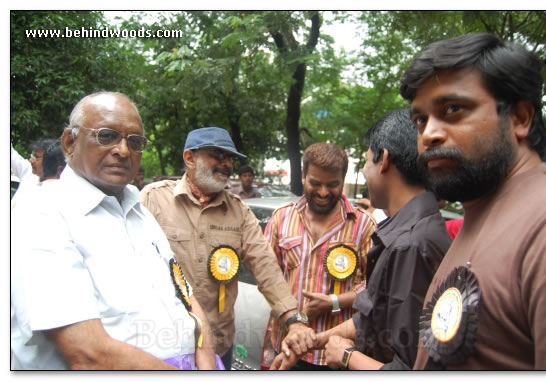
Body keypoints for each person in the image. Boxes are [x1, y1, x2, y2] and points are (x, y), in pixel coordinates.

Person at [11, 91, 218, 370]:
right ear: (70, 142)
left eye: (134, 141)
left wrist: (206, 357)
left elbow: (184, 294)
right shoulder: (41, 214)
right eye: (106, 136)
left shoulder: (140, 211)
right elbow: (87, 355)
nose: (123, 150)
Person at [400, 32, 546, 369]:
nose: (429, 134)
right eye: (420, 120)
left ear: (520, 118)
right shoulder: (481, 210)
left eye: (453, 109)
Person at [270, 109, 451, 370]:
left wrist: (347, 356)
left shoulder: (411, 244)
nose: (365, 173)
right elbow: (373, 316)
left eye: (366, 161)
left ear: (384, 160)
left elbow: (410, 366)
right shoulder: (403, 234)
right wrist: (316, 340)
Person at [139, 127, 315, 370]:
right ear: (190, 158)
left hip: (219, 349)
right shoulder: (153, 200)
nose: (226, 164)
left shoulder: (239, 212)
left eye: (230, 158)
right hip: (164, 345)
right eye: (218, 155)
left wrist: (293, 318)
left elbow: (265, 267)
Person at [263, 143, 376, 370]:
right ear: (303, 175)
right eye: (315, 183)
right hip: (287, 348)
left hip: (335, 357)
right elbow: (267, 278)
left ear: (342, 181)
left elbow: (376, 288)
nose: (323, 192)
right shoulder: (281, 219)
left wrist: (334, 302)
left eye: (332, 185)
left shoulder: (364, 226)